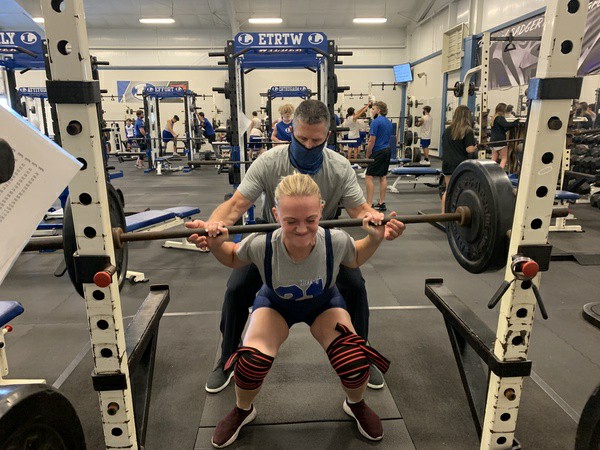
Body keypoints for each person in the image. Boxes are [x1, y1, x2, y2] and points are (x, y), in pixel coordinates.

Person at [185, 99, 404, 396]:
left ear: (328, 135)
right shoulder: (269, 161)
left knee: (355, 285)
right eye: (302, 139)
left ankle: (360, 350)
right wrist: (211, 227)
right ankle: (227, 356)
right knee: (237, 289)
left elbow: (360, 209)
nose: (309, 145)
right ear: (291, 132)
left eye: (316, 140)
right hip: (272, 244)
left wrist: (378, 223)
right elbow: (237, 205)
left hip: (321, 244)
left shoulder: (338, 167)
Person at [198, 173, 395, 447]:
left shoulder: (334, 241)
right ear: (276, 214)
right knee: (251, 361)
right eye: (291, 221)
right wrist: (217, 244)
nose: (302, 229)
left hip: (323, 305)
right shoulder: (262, 244)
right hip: (276, 306)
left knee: (352, 357)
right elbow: (232, 257)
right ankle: (243, 410)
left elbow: (357, 255)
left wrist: (374, 238)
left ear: (321, 212)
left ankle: (356, 403)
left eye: (310, 220)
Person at [440, 105, 478, 212]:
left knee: (448, 190)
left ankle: (443, 215)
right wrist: (476, 147)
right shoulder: (467, 130)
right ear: (467, 116)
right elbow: (469, 150)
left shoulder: (447, 130)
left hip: (447, 163)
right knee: (462, 190)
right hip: (460, 165)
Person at [365, 101, 393, 211]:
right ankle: (381, 203)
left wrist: (368, 154)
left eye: (373, 109)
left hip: (378, 151)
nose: (371, 111)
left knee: (368, 176)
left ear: (379, 110)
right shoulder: (389, 122)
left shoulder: (375, 122)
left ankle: (369, 203)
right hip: (387, 150)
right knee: (383, 176)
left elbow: (372, 140)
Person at [489, 103, 518, 169]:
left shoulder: (494, 118)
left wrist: (510, 127)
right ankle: (500, 173)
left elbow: (501, 129)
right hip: (500, 141)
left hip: (493, 141)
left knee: (493, 159)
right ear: (503, 110)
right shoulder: (500, 118)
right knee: (504, 158)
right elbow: (506, 125)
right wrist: (515, 123)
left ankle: (490, 172)